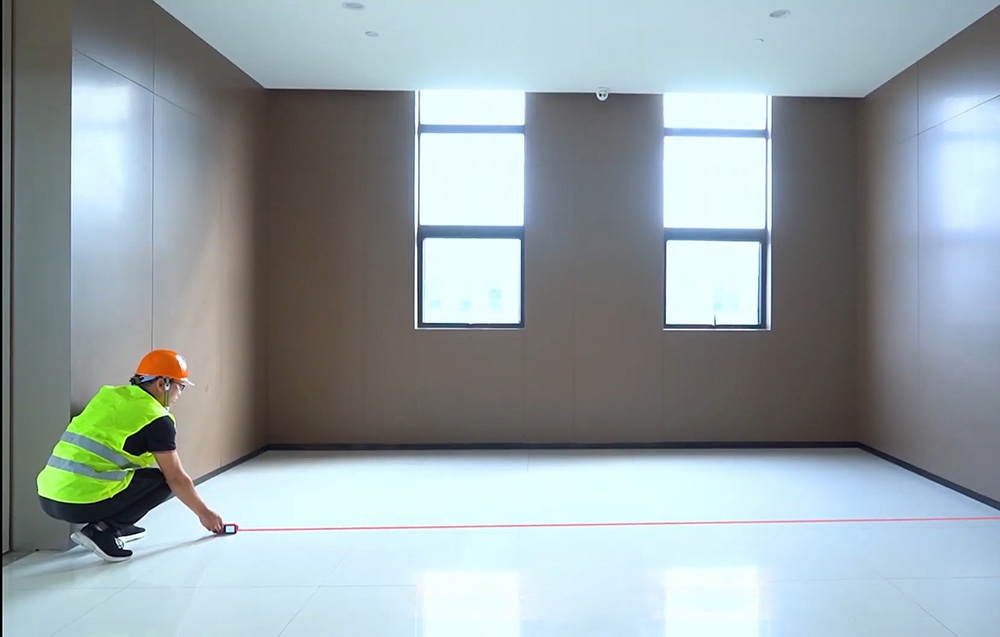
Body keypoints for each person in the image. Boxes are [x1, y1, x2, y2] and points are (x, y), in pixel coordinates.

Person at [36, 349, 224, 562]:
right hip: (76, 502)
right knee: (164, 481)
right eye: (180, 386)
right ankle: (103, 530)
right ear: (162, 384)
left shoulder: (109, 396)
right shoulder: (156, 419)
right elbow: (176, 478)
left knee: (133, 474)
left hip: (48, 495)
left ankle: (119, 524)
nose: (179, 393)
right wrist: (205, 514)